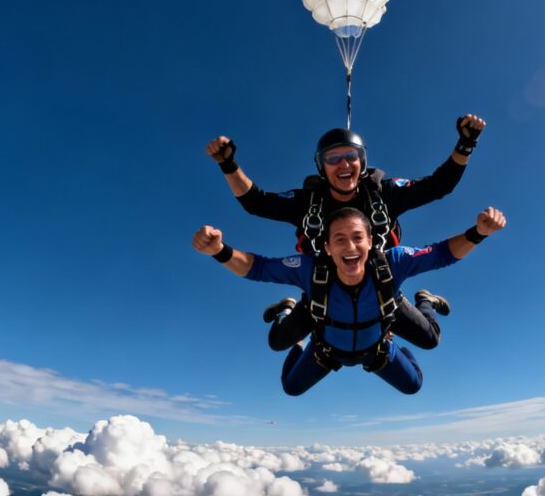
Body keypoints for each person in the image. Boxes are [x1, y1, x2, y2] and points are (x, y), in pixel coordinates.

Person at [205, 115, 486, 352]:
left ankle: (424, 301)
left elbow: (439, 186)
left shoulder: (384, 193)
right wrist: (228, 165)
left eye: (351, 156)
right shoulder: (307, 203)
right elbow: (257, 203)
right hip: (324, 286)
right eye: (333, 158)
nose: (344, 164)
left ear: (362, 162)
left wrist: (466, 144)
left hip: (378, 283)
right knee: (278, 342)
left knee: (429, 339)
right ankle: (286, 309)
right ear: (321, 166)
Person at [192, 205, 507, 395]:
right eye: (339, 239)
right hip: (326, 350)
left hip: (376, 347)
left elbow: (442, 254)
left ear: (371, 241)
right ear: (327, 248)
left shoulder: (392, 262)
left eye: (358, 237)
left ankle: (424, 301)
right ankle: (288, 309)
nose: (350, 246)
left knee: (419, 372)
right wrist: (219, 251)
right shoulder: (310, 268)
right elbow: (257, 267)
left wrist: (478, 232)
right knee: (289, 381)